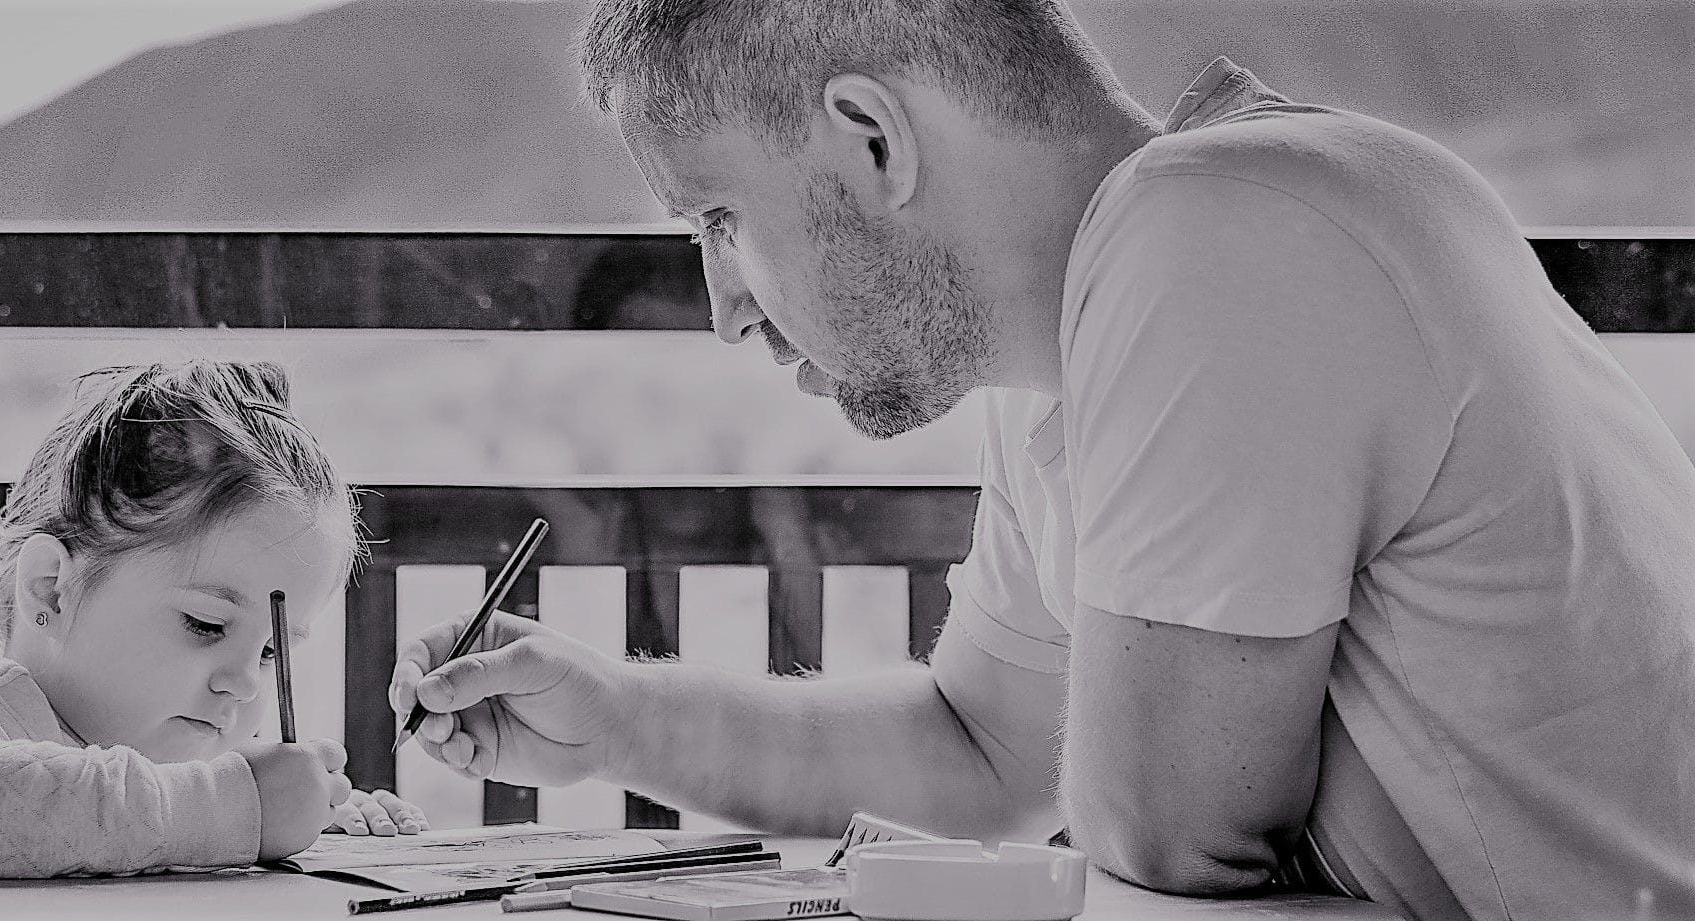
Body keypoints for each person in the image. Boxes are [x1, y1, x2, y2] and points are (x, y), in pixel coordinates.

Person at [390, 2, 1695, 920]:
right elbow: (979, 752)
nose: (726, 306)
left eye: (721, 220)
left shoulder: (1218, 233)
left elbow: (1162, 844)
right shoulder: (1085, 337)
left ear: (872, 140)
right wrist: (613, 714)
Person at [0, 361, 428, 921]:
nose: (245, 682)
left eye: (269, 652)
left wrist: (303, 829)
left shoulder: (170, 766)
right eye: (205, 624)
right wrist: (235, 806)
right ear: (49, 590)